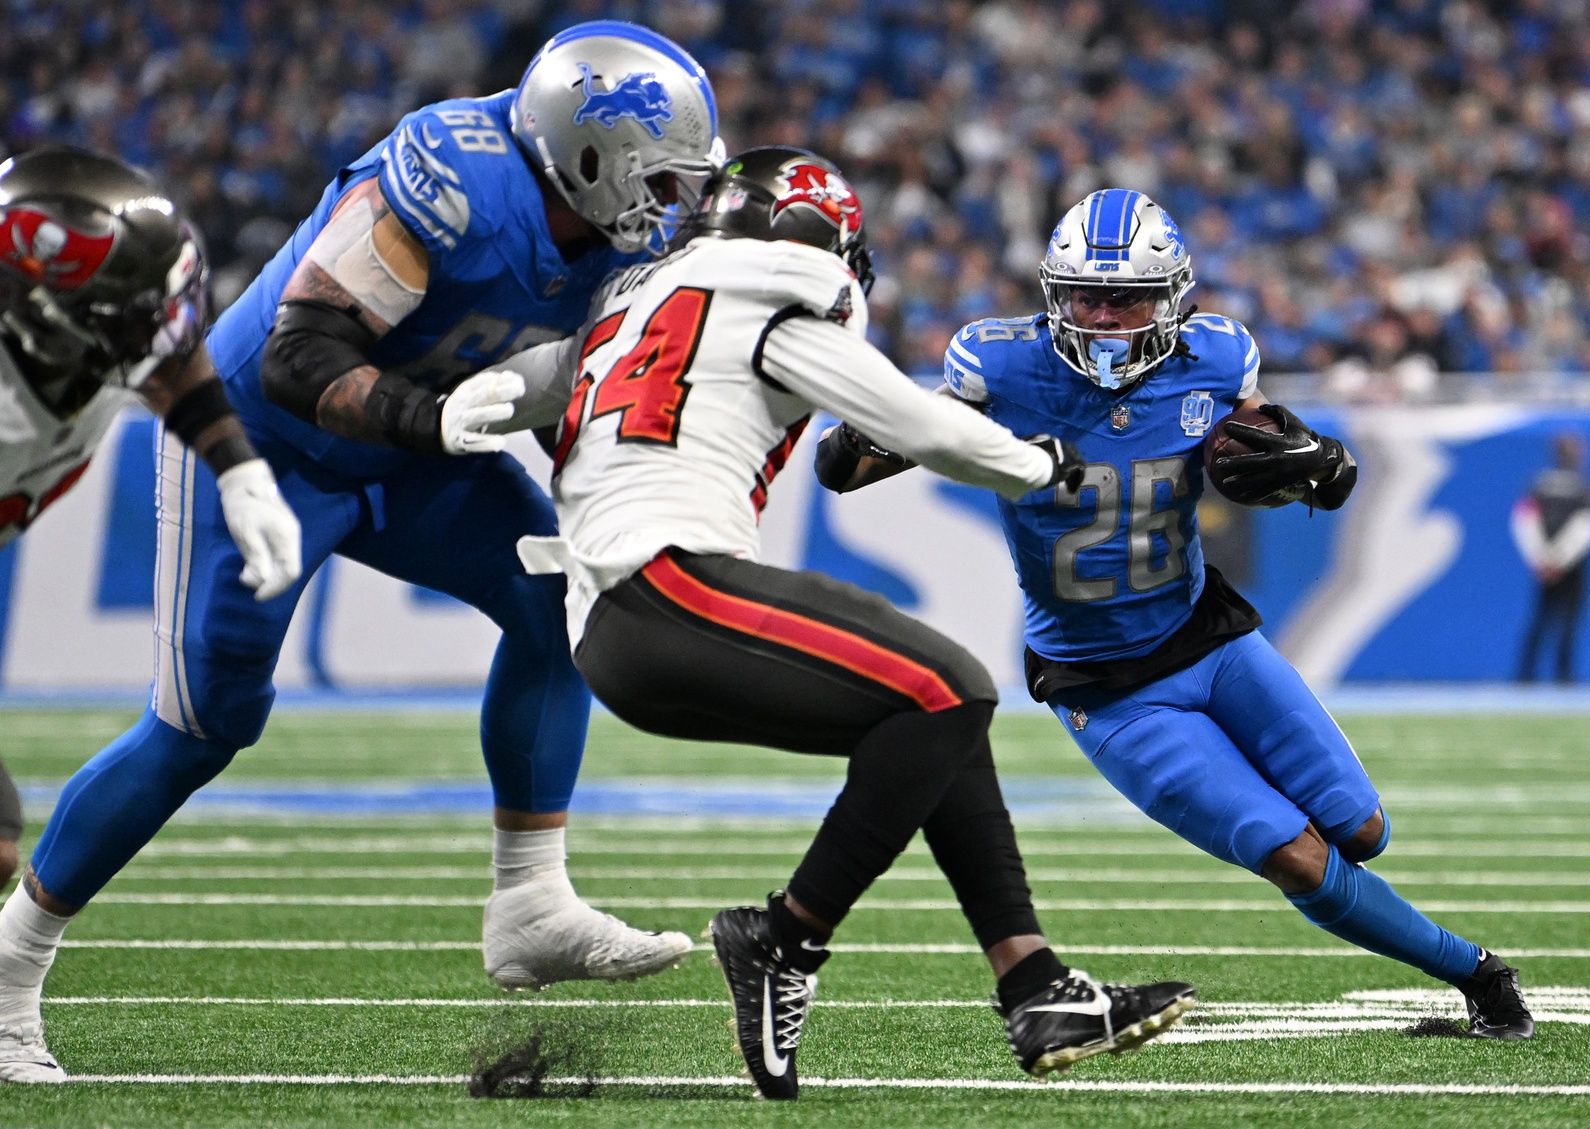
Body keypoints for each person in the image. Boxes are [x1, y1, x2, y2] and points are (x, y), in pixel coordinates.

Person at [0, 22, 722, 1084]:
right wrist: (432, 425)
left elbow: (566, 386)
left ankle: (530, 904)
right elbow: (300, 352)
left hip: (412, 448)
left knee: (559, 593)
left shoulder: (616, 241)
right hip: (266, 446)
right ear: (586, 155)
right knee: (205, 726)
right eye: (659, 178)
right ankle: (11, 968)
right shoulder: (453, 176)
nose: (675, 204)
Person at [501, 148, 1195, 1100]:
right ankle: (784, 936)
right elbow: (924, 426)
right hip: (668, 585)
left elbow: (534, 389)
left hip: (616, 620)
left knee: (938, 715)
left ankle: (1035, 986)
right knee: (955, 686)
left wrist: (450, 401)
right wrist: (1040, 464)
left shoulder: (637, 305)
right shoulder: (765, 303)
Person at [816, 188, 1534, 1041]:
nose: (1110, 318)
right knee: (1293, 852)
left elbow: (1275, 450)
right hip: (1106, 683)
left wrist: (1323, 466)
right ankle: (1480, 977)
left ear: (1174, 298)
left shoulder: (1218, 357)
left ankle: (1438, 945)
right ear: (1054, 294)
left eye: (1130, 298)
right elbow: (842, 469)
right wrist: (883, 423)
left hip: (1209, 637)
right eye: (1089, 296)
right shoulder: (996, 368)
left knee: (1362, 827)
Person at [0, 145, 301, 999]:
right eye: (129, 317)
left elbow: (175, 361)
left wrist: (236, 467)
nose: (159, 331)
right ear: (43, 310)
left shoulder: (63, 339)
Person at [1513, 431, 1590, 683]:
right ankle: (1563, 678)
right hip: (1570, 566)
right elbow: (1587, 524)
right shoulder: (1585, 487)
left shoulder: (1539, 483)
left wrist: (1541, 557)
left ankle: (1526, 676)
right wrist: (1559, 558)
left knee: (1543, 618)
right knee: (1566, 621)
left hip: (1545, 564)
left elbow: (1524, 521)